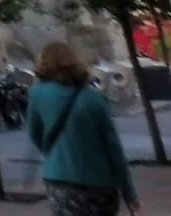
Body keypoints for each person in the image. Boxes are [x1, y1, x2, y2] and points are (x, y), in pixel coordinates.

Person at [28, 41, 141, 216]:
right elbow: (113, 149)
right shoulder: (95, 99)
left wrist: (55, 154)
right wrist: (128, 192)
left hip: (60, 179)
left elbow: (35, 134)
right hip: (100, 183)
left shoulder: (37, 94)